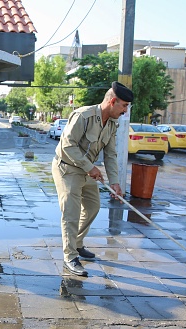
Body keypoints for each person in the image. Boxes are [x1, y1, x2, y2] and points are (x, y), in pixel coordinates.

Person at [52, 81, 132, 277]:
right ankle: (70, 256)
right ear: (113, 101)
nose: (125, 111)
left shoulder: (112, 123)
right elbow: (67, 146)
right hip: (67, 168)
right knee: (71, 212)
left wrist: (115, 182)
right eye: (123, 106)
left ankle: (77, 244)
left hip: (87, 171)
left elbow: (111, 154)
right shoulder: (83, 115)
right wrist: (90, 168)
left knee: (93, 207)